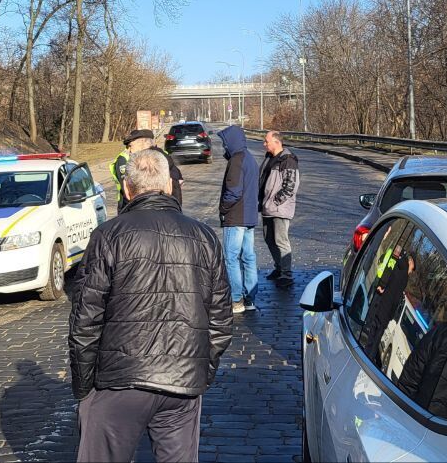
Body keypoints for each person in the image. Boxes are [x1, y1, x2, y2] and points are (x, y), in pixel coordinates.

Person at [69, 150, 233, 462]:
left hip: (119, 381)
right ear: (169, 186)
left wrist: (84, 387)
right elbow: (221, 320)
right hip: (182, 381)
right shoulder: (204, 237)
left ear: (127, 189)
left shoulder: (108, 235)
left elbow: (85, 321)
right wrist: (200, 371)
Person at [217, 125, 259, 313]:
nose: (224, 146)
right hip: (249, 216)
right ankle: (250, 299)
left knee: (231, 258)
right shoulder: (249, 158)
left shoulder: (236, 160)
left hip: (236, 217)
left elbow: (233, 192)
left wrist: (223, 209)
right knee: (248, 257)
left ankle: (236, 300)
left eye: (225, 143)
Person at [258, 130, 300, 289]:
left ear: (276, 142)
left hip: (279, 209)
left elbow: (290, 186)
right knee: (269, 239)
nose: (264, 144)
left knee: (281, 241)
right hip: (267, 207)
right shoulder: (269, 158)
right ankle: (279, 268)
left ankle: (286, 274)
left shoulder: (287, 160)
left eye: (266, 141)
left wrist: (275, 201)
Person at [124, 128, 184, 206]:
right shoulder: (160, 155)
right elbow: (180, 179)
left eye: (131, 146)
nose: (129, 150)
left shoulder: (151, 160)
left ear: (142, 142)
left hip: (155, 205)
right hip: (169, 205)